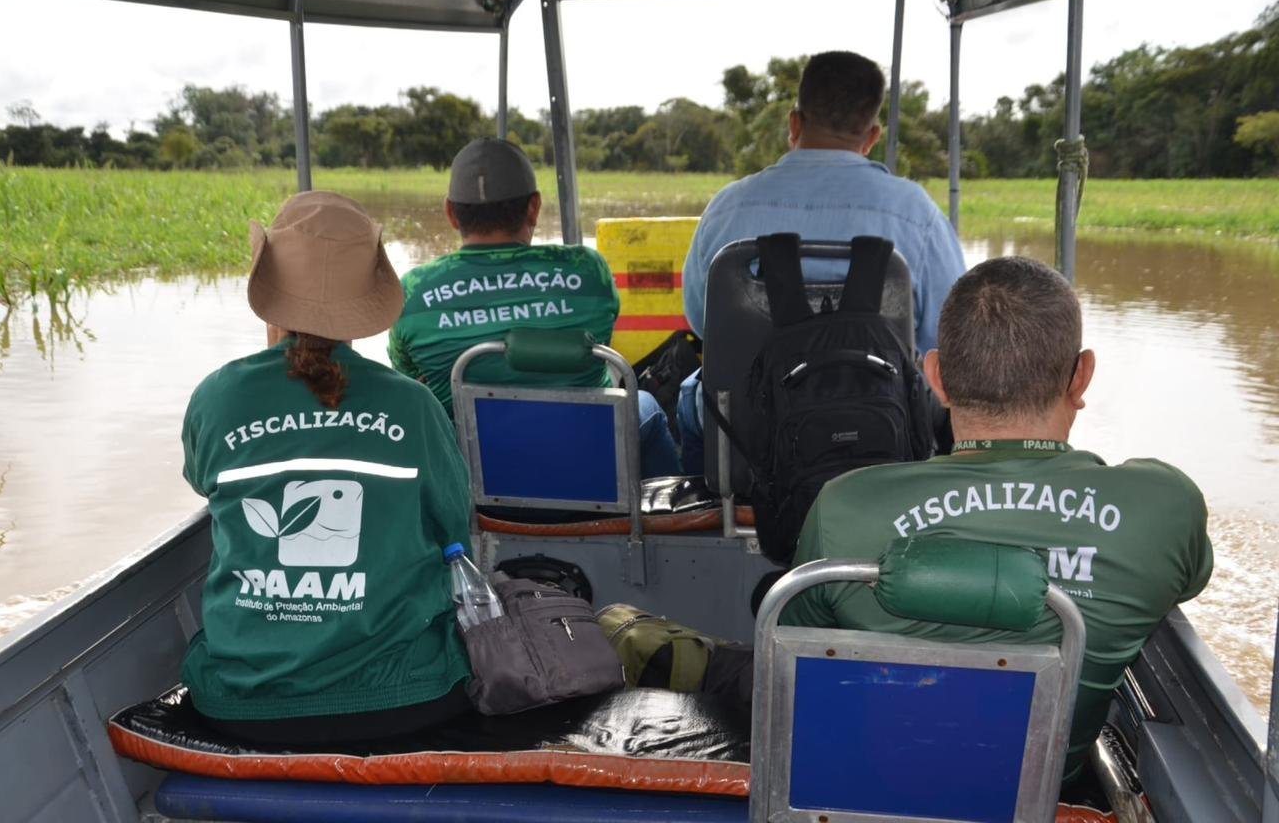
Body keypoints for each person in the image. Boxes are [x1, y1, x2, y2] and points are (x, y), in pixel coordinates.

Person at [781, 256, 1213, 781]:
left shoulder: (844, 506)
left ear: (936, 377)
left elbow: (798, 659)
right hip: (1049, 796)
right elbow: (1188, 580)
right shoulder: (1163, 508)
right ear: (1082, 376)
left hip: (869, 787)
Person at [180, 191, 473, 745]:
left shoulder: (216, 398)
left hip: (241, 704)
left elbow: (203, 481)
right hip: (405, 700)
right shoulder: (412, 404)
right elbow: (456, 528)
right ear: (363, 303)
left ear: (269, 286)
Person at [677, 51, 967, 474]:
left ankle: (712, 498)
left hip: (751, 436)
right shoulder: (916, 213)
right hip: (881, 432)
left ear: (794, 124)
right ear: (871, 135)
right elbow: (948, 339)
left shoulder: (728, 207)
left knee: (689, 394)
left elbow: (702, 323)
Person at [388, 138, 681, 479]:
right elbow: (603, 337)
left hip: (472, 476)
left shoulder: (413, 292)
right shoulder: (588, 271)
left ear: (451, 213)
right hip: (584, 461)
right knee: (645, 404)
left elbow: (409, 380)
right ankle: (675, 508)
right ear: (534, 207)